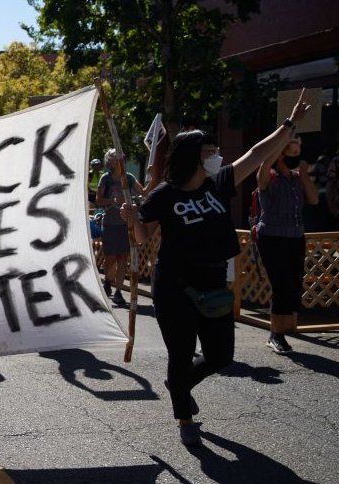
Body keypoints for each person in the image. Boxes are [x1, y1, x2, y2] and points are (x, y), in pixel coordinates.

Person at [122, 89, 312, 446]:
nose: (216, 155)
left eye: (214, 151)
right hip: (175, 286)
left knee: (220, 355)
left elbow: (256, 154)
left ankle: (179, 385)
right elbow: (142, 236)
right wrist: (133, 218)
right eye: (209, 152)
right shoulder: (165, 194)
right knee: (181, 353)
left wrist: (289, 125)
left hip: (214, 283)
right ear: (193, 157)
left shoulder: (219, 183)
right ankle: (184, 416)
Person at [255, 137, 319, 353]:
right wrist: (276, 150)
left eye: (298, 153)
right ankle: (276, 335)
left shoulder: (297, 179)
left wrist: (304, 173)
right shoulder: (270, 177)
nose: (296, 157)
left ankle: (281, 331)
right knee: (281, 285)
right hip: (272, 237)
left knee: (292, 285)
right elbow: (263, 169)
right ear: (280, 155)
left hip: (295, 236)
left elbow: (314, 199)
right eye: (291, 153)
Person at [95, 148, 144, 306]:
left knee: (123, 257)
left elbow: (143, 191)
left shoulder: (129, 178)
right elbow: (98, 200)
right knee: (110, 259)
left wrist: (152, 177)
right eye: (117, 158)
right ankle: (108, 282)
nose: (121, 160)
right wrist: (112, 200)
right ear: (111, 161)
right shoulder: (106, 179)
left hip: (125, 224)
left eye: (122, 157)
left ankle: (118, 292)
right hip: (110, 223)